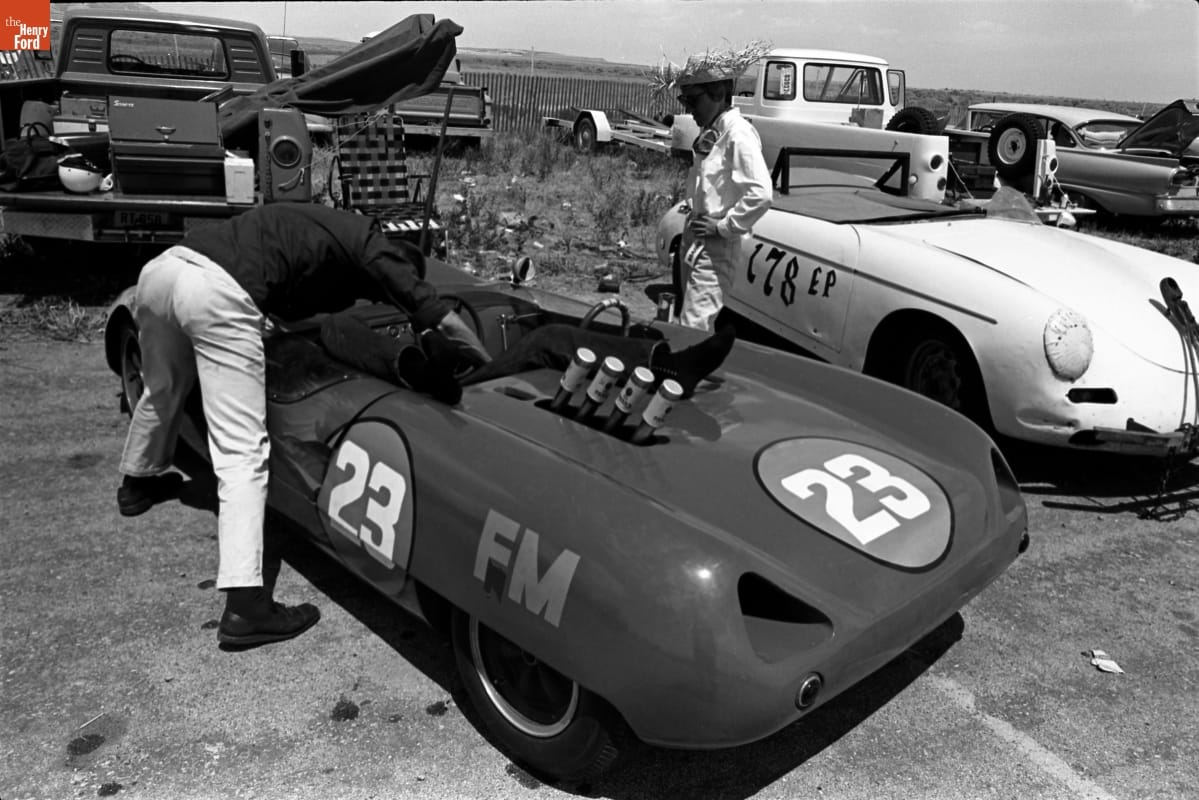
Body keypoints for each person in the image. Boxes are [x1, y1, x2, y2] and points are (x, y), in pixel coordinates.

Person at [116, 203, 489, 648]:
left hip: (163, 273)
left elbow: (284, 285)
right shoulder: (372, 245)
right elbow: (439, 316)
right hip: (214, 292)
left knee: (162, 388)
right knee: (242, 452)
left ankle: (136, 484)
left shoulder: (326, 229)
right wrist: (484, 363)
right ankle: (246, 607)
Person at [665, 44, 773, 330]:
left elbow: (761, 194)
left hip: (716, 248)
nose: (688, 109)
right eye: (684, 100)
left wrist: (724, 226)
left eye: (693, 101)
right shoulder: (713, 131)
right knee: (689, 321)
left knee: (693, 327)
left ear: (718, 93)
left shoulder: (738, 134)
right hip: (696, 238)